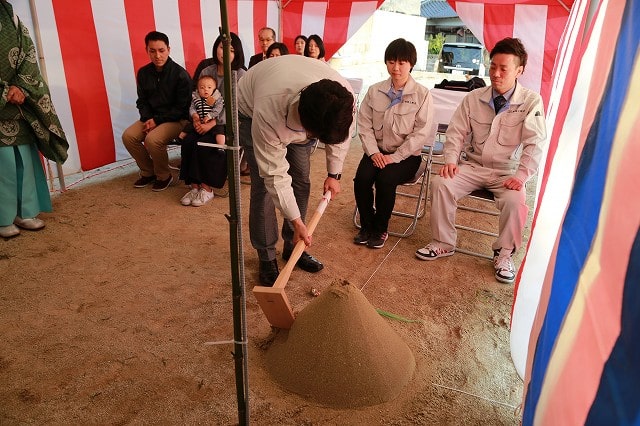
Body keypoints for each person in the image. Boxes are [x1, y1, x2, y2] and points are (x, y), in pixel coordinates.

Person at [415, 37, 547, 284]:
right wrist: (451, 160)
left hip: (506, 172)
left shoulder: (530, 102)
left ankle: (504, 254)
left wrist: (521, 176)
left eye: (503, 68)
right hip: (472, 166)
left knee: (516, 201)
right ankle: (443, 242)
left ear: (520, 70)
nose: (496, 74)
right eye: (493, 66)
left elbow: (535, 143)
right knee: (441, 184)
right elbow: (455, 132)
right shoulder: (473, 97)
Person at [237, 55, 354, 286]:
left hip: (296, 105)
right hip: (251, 111)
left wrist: (334, 174)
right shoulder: (268, 109)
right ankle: (266, 257)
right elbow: (274, 174)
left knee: (301, 179)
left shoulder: (343, 98)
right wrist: (296, 220)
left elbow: (341, 137)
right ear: (305, 124)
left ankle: (293, 247)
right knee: (264, 188)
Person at [353, 39, 433, 249]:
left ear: (411, 64)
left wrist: (395, 157)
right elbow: (364, 125)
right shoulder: (374, 91)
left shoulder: (422, 95)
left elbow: (421, 133)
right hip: (376, 153)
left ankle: (380, 229)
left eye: (402, 63)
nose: (396, 68)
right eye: (391, 62)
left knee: (385, 179)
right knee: (361, 179)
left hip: (407, 157)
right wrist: (372, 153)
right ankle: (367, 225)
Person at [0, 0, 68, 239]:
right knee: (4, 165)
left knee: (25, 161)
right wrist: (3, 91)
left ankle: (25, 211)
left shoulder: (10, 14)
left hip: (19, 102)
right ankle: (3, 217)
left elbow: (28, 53)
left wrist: (20, 86)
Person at [122, 31, 191, 191]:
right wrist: (147, 119)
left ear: (168, 49)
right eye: (152, 51)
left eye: (161, 50)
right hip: (152, 118)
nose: (157, 55)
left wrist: (157, 121)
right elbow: (142, 101)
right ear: (147, 50)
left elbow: (182, 109)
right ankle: (148, 171)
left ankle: (164, 176)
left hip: (178, 120)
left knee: (153, 139)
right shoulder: (144, 73)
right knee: (128, 136)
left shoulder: (180, 75)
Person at [198, 32, 247, 181]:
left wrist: (213, 122)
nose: (225, 53)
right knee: (191, 140)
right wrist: (198, 118)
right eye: (222, 47)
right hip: (206, 118)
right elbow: (197, 100)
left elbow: (236, 109)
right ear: (215, 48)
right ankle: (195, 184)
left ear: (237, 53)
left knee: (210, 141)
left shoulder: (240, 75)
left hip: (231, 123)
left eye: (231, 50)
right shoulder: (207, 72)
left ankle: (210, 183)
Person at [177, 75, 226, 207]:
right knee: (188, 142)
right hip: (198, 123)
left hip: (219, 124)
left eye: (209, 87)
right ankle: (194, 187)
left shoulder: (235, 77)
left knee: (203, 145)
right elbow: (192, 109)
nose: (205, 89)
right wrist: (195, 119)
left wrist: (211, 122)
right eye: (202, 87)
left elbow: (227, 109)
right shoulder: (206, 73)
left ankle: (207, 188)